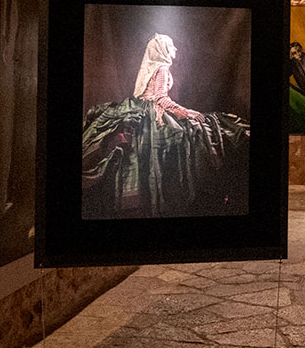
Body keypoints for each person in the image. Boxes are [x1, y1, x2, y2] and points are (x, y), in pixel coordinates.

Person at [80, 33, 249, 219]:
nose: (175, 49)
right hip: (155, 112)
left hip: (143, 109)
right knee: (186, 136)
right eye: (171, 46)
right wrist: (186, 112)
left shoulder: (153, 67)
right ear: (163, 49)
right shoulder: (161, 69)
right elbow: (161, 98)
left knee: (151, 152)